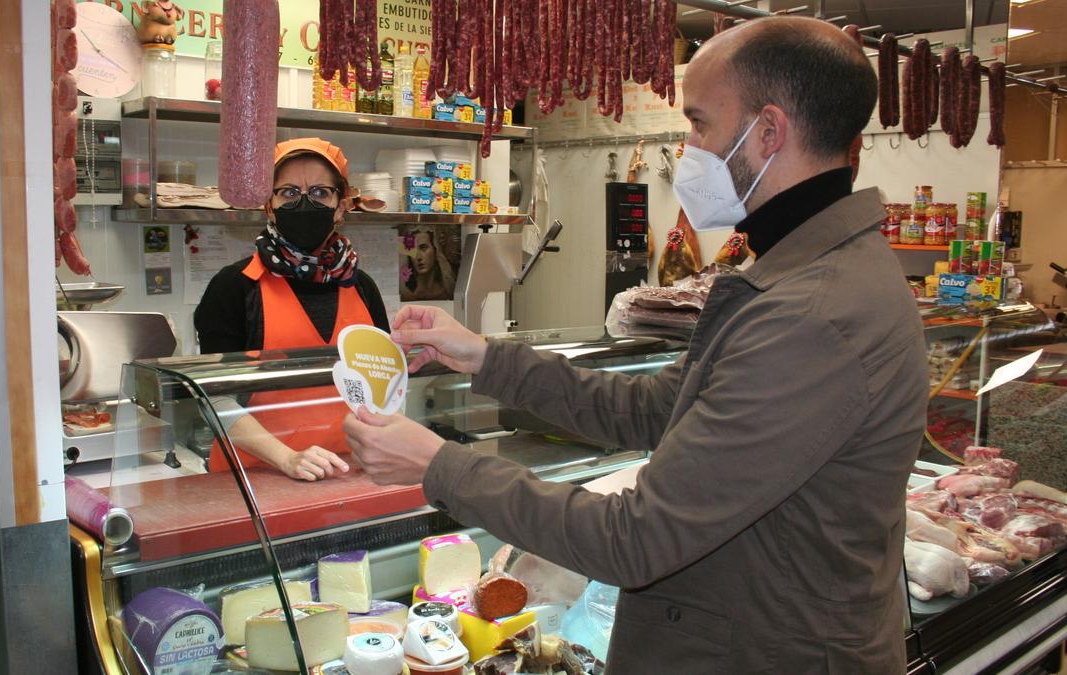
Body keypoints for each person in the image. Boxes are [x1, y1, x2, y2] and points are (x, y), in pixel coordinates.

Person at [343, 17, 927, 672]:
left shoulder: (811, 315)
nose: (688, 148)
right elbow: (651, 409)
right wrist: (485, 356)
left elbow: (634, 539)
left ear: (768, 132)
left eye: (700, 124)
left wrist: (439, 465)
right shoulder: (808, 275)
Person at [195, 138, 389, 481]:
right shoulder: (235, 286)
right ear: (269, 205)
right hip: (254, 478)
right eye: (288, 192)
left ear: (341, 207)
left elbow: (383, 385)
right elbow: (214, 398)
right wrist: (288, 459)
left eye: (319, 193)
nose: (304, 204)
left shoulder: (361, 287)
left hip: (349, 472)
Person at [401, 226, 456, 300]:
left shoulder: (447, 292)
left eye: (423, 248)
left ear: (436, 250)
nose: (418, 257)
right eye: (413, 250)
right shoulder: (405, 292)